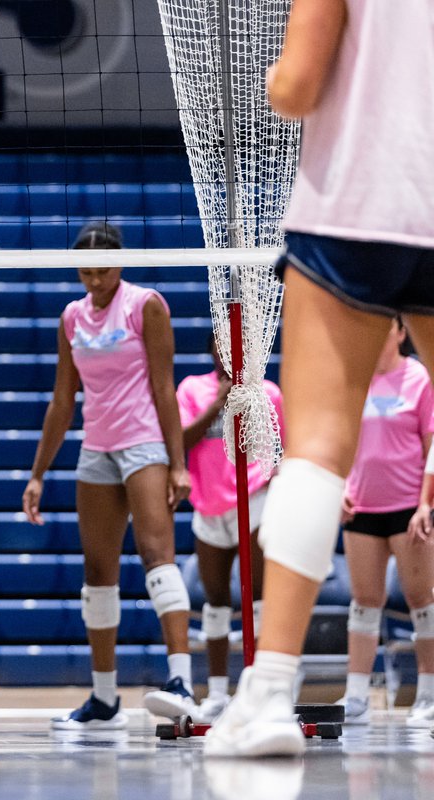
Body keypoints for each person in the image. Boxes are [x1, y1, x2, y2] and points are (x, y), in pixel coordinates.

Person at [205, 0, 434, 757]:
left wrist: (274, 76)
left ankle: (269, 696)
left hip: (357, 204)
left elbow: (298, 86)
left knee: (316, 453)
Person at [23, 221, 196, 729]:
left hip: (144, 443)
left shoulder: (147, 305)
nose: (94, 281)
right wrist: (37, 475)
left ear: (120, 264)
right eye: (85, 273)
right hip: (96, 447)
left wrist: (178, 463)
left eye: (101, 271)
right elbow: (62, 400)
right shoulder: (72, 317)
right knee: (97, 575)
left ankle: (181, 681)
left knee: (157, 558)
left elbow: (166, 389)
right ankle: (104, 699)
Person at [177, 337, 283, 723]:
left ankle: (262, 688)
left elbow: (281, 449)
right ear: (212, 352)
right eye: (222, 348)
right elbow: (181, 440)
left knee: (258, 596)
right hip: (209, 505)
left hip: (253, 498)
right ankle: (218, 692)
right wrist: (216, 405)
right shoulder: (192, 389)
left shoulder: (266, 393)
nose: (229, 355)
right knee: (215, 599)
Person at [337, 319, 434, 727]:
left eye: (386, 326)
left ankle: (428, 694)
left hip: (409, 509)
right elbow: (339, 439)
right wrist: (339, 486)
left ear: (400, 331)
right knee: (364, 602)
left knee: (420, 600)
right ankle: (356, 695)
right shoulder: (354, 377)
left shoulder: (419, 379)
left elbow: (432, 445)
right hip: (361, 509)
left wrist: (425, 504)